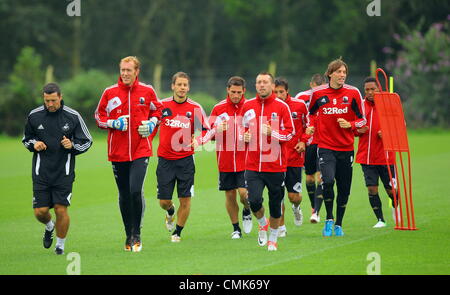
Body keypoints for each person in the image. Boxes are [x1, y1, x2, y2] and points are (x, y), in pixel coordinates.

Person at [95, 56, 163, 252]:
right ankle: (128, 233)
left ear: (136, 71)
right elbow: (99, 116)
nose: (125, 73)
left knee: (135, 190)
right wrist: (112, 123)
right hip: (117, 152)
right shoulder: (110, 92)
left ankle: (137, 233)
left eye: (128, 70)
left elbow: (159, 112)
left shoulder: (147, 91)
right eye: (122, 70)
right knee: (124, 194)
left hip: (141, 150)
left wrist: (151, 124)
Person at [23, 82, 92, 255]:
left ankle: (60, 246)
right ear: (43, 99)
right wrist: (34, 144)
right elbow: (26, 138)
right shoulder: (34, 116)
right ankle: (49, 226)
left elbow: (87, 141)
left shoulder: (73, 116)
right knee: (40, 212)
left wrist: (72, 145)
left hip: (64, 172)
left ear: (60, 97)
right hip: (41, 172)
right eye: (47, 101)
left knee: (61, 209)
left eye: (53, 100)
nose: (50, 104)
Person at [308, 58, 366, 237]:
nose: (342, 75)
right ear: (330, 74)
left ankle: (339, 223)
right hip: (325, 146)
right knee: (328, 180)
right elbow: (310, 114)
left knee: (344, 187)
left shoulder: (353, 93)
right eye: (339, 72)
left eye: (344, 72)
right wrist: (310, 127)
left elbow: (363, 120)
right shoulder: (318, 94)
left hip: (346, 148)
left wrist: (350, 125)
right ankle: (329, 219)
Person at [241, 72, 295, 251]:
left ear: (272, 86)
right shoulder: (247, 106)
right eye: (258, 82)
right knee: (254, 201)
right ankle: (262, 224)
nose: (261, 85)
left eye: (265, 82)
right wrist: (244, 135)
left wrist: (273, 133)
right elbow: (241, 129)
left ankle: (273, 238)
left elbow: (290, 133)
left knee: (275, 203)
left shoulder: (281, 107)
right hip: (253, 164)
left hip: (275, 165)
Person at [154, 72, 210, 243]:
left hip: (186, 161)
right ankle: (170, 211)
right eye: (179, 84)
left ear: (188, 87)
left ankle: (177, 232)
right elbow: (151, 124)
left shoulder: (195, 108)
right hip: (165, 160)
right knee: (164, 201)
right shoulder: (162, 105)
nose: (182, 88)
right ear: (172, 86)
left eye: (185, 85)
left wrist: (199, 140)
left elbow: (208, 130)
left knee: (185, 199)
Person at [207, 76, 252, 239]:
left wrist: (250, 135)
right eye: (233, 92)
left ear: (244, 91)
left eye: (239, 92)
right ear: (227, 90)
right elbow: (207, 133)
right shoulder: (218, 109)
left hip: (245, 160)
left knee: (244, 194)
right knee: (230, 195)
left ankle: (247, 210)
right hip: (224, 161)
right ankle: (236, 228)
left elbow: (260, 130)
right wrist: (217, 130)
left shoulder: (250, 107)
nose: (235, 95)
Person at [355, 77, 397, 228]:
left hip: (386, 157)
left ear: (379, 89)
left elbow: (401, 127)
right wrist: (357, 130)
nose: (370, 92)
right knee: (372, 188)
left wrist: (387, 132)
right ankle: (380, 219)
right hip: (366, 156)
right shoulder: (360, 106)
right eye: (367, 90)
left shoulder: (389, 104)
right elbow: (354, 127)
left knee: (391, 190)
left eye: (373, 89)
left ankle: (395, 206)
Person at [274, 77, 309, 237]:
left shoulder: (299, 105)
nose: (278, 95)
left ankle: (296, 208)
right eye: (275, 92)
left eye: (281, 92)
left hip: (295, 157)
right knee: (277, 194)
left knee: (293, 197)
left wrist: (303, 142)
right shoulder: (269, 108)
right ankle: (281, 227)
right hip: (275, 159)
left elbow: (309, 126)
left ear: (287, 91)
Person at [295, 74, 327, 223]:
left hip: (323, 141)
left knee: (321, 177)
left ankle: (316, 211)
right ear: (311, 85)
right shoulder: (301, 97)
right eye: (316, 88)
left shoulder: (327, 96)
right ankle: (314, 206)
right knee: (309, 178)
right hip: (307, 143)